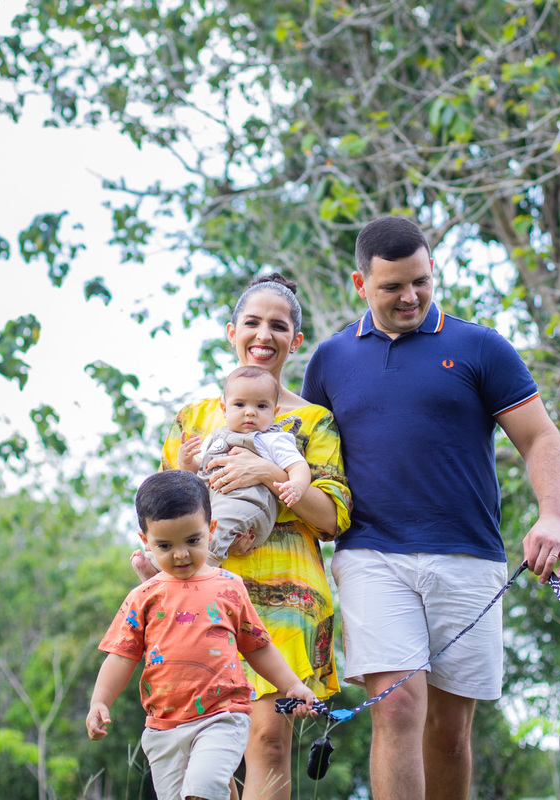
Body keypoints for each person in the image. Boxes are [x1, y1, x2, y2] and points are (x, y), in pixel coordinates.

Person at [301, 215, 560, 800]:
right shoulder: (329, 361)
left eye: (422, 281)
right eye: (393, 286)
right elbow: (303, 454)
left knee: (449, 733)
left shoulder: (479, 346)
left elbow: (541, 439)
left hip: (469, 556)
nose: (411, 296)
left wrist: (553, 516)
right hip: (372, 554)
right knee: (396, 707)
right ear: (359, 284)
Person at [138, 273, 351, 800]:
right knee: (200, 742)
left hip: (287, 593)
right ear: (232, 331)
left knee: (267, 739)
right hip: (201, 593)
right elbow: (164, 513)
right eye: (253, 322)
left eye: (278, 325)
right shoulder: (194, 420)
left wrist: (269, 474)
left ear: (295, 341)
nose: (264, 334)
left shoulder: (313, 421)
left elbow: (332, 518)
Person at [87, 470, 318, 800]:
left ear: (210, 530)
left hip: (221, 717)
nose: (181, 554)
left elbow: (258, 647)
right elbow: (121, 655)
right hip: (162, 728)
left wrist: (291, 685)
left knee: (203, 790)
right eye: (165, 545)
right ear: (145, 541)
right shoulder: (143, 596)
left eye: (192, 541)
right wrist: (99, 701)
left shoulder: (229, 588)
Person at [181, 365, 311, 567]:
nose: (250, 412)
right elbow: (198, 472)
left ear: (275, 411)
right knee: (180, 521)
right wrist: (187, 462)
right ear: (225, 409)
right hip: (211, 505)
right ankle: (155, 565)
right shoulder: (214, 437)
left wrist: (297, 485)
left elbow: (298, 466)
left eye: (261, 406)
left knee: (220, 524)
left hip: (250, 505)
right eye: (240, 405)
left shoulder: (273, 439)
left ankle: (203, 568)